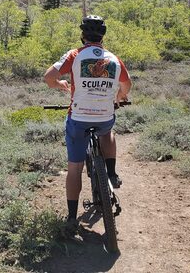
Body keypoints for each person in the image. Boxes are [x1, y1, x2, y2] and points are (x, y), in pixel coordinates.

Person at [43, 15, 131, 223]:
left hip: (79, 117)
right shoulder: (114, 59)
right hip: (104, 116)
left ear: (83, 35)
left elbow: (48, 77)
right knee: (107, 131)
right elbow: (127, 85)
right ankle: (111, 173)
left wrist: (61, 85)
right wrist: (118, 98)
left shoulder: (74, 55)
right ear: (103, 36)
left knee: (74, 167)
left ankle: (72, 218)